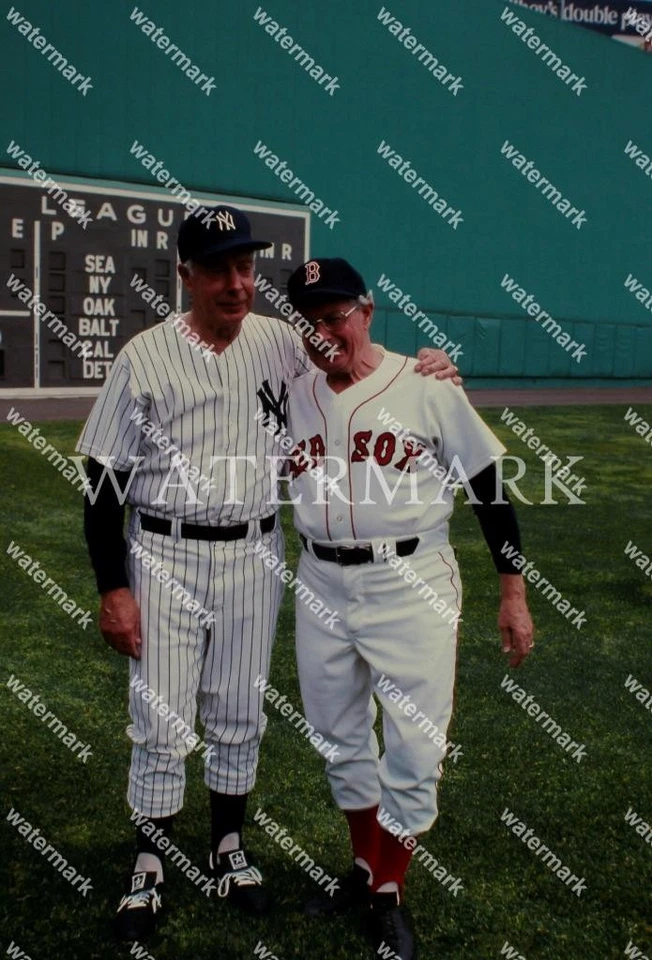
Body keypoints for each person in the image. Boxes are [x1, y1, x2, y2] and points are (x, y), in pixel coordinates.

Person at [75, 206, 459, 940]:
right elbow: (101, 483)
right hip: (164, 548)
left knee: (239, 710)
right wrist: (113, 586)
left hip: (255, 548)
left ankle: (228, 850)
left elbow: (354, 357)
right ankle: (150, 864)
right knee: (161, 714)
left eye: (246, 266)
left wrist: (427, 365)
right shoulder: (143, 356)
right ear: (184, 274)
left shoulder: (283, 342)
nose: (235, 281)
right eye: (217, 267)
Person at [279, 257, 534, 960]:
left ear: (367, 309)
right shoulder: (293, 392)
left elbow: (489, 488)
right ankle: (365, 869)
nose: (323, 332)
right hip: (321, 579)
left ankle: (390, 887)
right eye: (309, 321)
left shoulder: (425, 384)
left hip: (411, 577)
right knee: (337, 735)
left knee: (415, 742)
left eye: (335, 316)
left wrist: (512, 592)